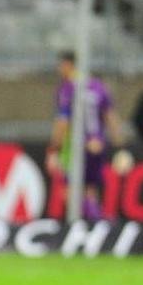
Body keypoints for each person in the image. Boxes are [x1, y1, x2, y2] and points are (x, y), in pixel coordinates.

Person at [45, 51, 128, 221]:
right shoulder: (98, 85)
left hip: (76, 146)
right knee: (90, 191)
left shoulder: (68, 88)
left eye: (61, 66)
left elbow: (62, 121)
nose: (60, 70)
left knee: (69, 192)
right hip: (97, 144)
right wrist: (120, 147)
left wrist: (54, 149)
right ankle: (96, 226)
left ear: (68, 65)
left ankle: (90, 229)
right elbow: (111, 117)